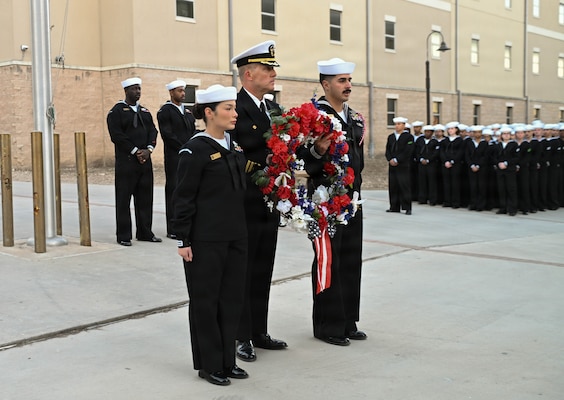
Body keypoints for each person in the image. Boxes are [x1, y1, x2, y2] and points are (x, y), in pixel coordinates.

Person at [171, 84, 249, 386]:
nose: (234, 113)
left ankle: (228, 361)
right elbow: (183, 197)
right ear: (208, 112)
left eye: (234, 107)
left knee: (231, 300)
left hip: (236, 236)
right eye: (228, 108)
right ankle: (209, 364)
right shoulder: (196, 149)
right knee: (206, 301)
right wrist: (183, 239)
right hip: (205, 240)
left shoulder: (234, 145)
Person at [297, 57, 366, 346]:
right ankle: (328, 324)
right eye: (341, 80)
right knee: (329, 261)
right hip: (324, 200)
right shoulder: (314, 117)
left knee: (351, 259)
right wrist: (315, 150)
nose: (348, 85)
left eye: (349, 80)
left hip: (352, 199)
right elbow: (300, 159)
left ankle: (347, 320)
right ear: (326, 84)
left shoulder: (354, 117)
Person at [229, 40, 287, 362]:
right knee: (244, 270)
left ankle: (259, 331)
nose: (273, 74)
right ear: (248, 74)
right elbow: (238, 156)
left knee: (264, 266)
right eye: (268, 69)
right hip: (247, 200)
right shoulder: (235, 108)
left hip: (271, 201)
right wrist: (267, 166)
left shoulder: (273, 109)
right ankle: (241, 336)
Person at [107, 77, 162, 246]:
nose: (138, 92)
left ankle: (145, 232)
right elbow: (116, 135)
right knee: (124, 199)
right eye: (134, 89)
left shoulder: (145, 112)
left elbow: (153, 132)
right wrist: (135, 150)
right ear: (126, 91)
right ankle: (124, 235)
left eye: (139, 89)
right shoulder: (116, 111)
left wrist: (148, 150)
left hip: (145, 162)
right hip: (127, 162)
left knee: (145, 198)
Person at [157, 80, 197, 239]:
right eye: (179, 91)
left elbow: (192, 131)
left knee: (188, 189)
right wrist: (183, 148)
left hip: (189, 156)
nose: (183, 93)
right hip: (175, 156)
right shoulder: (165, 111)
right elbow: (167, 134)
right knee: (174, 190)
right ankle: (172, 228)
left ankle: (186, 223)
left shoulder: (187, 112)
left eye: (183, 91)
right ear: (171, 92)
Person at [385, 116, 414, 215]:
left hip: (403, 165)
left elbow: (408, 151)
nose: (397, 126)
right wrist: (390, 159)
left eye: (399, 124)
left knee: (404, 186)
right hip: (392, 166)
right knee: (393, 186)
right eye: (396, 124)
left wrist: (398, 159)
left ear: (404, 125)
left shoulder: (408, 137)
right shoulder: (391, 137)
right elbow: (388, 150)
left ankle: (407, 207)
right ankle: (394, 206)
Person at [493, 126, 519, 216]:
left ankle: (512, 208)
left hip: (510, 170)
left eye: (508, 134)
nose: (506, 136)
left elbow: (516, 157)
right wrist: (498, 163)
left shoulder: (514, 144)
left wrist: (506, 163)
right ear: (501, 135)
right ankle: (503, 208)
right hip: (500, 170)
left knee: (511, 189)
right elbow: (494, 157)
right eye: (504, 134)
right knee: (501, 189)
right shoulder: (498, 145)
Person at [440, 121, 465, 208]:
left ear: (456, 130)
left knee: (455, 184)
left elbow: (460, 153)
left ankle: (455, 202)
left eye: (452, 129)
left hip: (456, 165)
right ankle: (447, 201)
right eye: (449, 129)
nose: (450, 130)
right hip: (445, 164)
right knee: (446, 183)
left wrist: (452, 161)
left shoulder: (460, 141)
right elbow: (442, 152)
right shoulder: (445, 141)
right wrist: (445, 161)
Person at [465, 125, 489, 211]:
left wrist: (478, 165)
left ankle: (481, 205)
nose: (477, 134)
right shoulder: (470, 143)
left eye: (478, 132)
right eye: (475, 132)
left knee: (481, 187)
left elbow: (485, 156)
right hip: (471, 168)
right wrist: (471, 165)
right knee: (473, 186)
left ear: (481, 133)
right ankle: (473, 204)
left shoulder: (485, 143)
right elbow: (467, 155)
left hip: (481, 168)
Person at [415, 125, 439, 205]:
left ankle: (432, 199)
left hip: (431, 164)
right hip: (421, 164)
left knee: (432, 182)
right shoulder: (420, 140)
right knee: (422, 182)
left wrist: (428, 160)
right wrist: (421, 159)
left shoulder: (435, 142)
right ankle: (422, 198)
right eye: (426, 132)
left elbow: (435, 153)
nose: (427, 133)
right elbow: (417, 151)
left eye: (429, 132)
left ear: (432, 133)